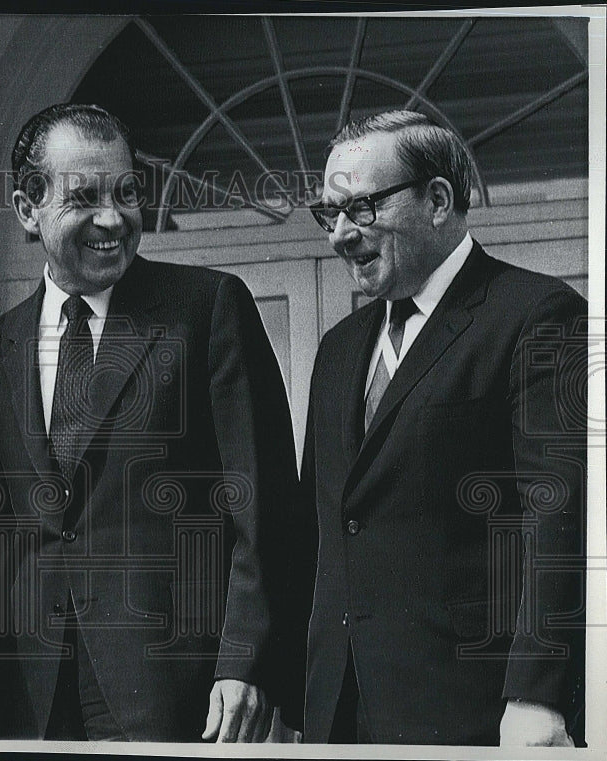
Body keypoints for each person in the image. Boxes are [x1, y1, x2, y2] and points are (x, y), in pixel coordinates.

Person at [0, 103, 308, 743]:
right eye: (84, 197)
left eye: (126, 193)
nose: (112, 218)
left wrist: (246, 662)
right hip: (35, 692)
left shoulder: (205, 309)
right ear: (26, 210)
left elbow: (263, 504)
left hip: (181, 686)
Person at [302, 110, 586, 745]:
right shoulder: (339, 348)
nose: (341, 234)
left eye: (362, 208)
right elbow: (323, 533)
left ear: (437, 200)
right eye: (330, 214)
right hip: (339, 710)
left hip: (479, 710)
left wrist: (537, 696)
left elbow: (558, 520)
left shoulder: (538, 315)